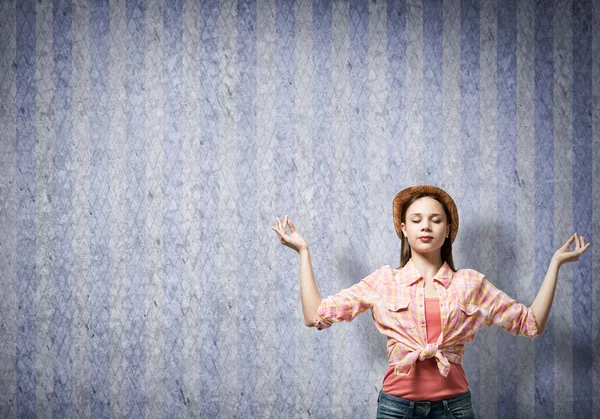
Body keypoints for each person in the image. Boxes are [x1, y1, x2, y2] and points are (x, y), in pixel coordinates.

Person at [271, 184, 590, 419]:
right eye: (417, 219)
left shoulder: (471, 284)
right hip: (396, 408)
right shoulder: (383, 281)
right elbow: (316, 316)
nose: (426, 225)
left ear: (449, 230)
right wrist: (303, 252)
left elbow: (530, 323)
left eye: (436, 219)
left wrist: (555, 264)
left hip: (454, 408)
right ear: (404, 229)